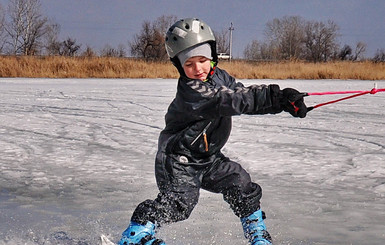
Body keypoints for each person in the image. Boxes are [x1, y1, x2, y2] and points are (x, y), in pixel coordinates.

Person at [118, 18, 307, 245]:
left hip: (208, 158)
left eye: (202, 60)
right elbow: (228, 100)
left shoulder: (219, 77)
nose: (197, 69)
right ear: (179, 66)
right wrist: (274, 96)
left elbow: (242, 94)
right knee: (181, 203)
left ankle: (257, 234)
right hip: (179, 159)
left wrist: (281, 103)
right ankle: (136, 233)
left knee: (239, 182)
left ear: (212, 57)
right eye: (189, 64)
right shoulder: (192, 91)